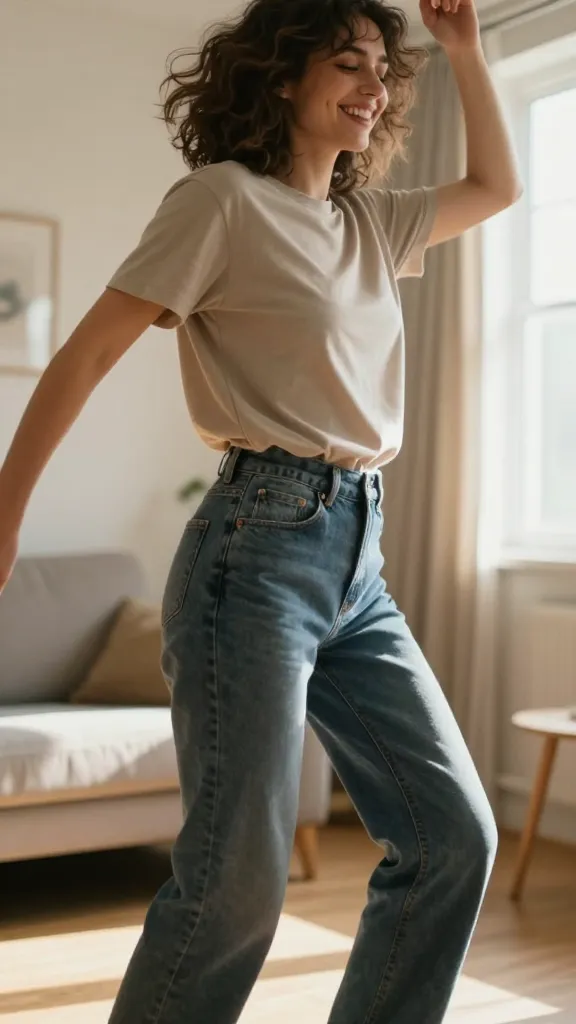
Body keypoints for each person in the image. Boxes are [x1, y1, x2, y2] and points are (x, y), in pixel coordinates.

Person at [0, 0, 522, 1020]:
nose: (374, 84)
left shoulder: (373, 221)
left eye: (383, 67)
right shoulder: (221, 204)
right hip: (255, 552)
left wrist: (463, 47)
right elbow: (90, 351)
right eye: (348, 62)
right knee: (237, 881)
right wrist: (8, 504)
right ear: (282, 77)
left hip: (358, 563)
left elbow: (500, 186)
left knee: (454, 833)